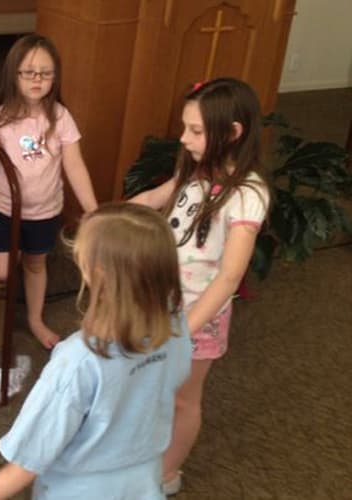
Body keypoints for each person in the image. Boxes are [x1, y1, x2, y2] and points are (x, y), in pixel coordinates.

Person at [0, 202, 192, 499]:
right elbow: (177, 376)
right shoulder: (175, 323)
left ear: (97, 273)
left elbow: (35, 451)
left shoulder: (78, 360)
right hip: (143, 480)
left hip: (79, 489)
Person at [129, 78, 270, 495]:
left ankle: (168, 473)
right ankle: (145, 449)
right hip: (158, 301)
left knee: (183, 399)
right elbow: (159, 196)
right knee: (148, 383)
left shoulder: (247, 195)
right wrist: (113, 216)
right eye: (184, 127)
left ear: (231, 134)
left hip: (196, 320)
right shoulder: (194, 167)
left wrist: (184, 328)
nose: (183, 138)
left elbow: (229, 276)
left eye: (195, 131)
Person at [0, 34, 98, 350]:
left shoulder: (61, 118)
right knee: (1, 272)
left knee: (36, 264)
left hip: (45, 211)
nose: (37, 79)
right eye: (29, 72)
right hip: (3, 209)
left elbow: (75, 166)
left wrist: (93, 210)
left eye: (46, 72)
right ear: (14, 75)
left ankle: (36, 319)